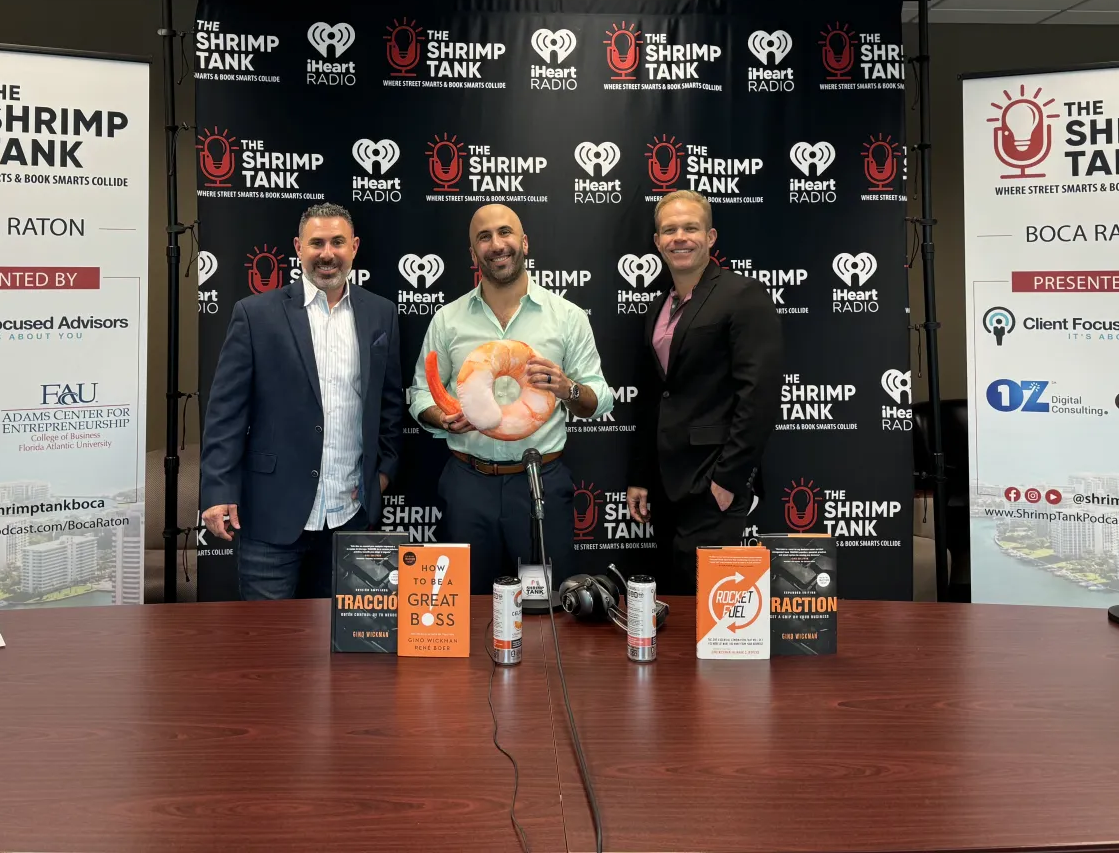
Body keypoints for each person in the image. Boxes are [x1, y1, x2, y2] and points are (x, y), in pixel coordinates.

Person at [200, 203, 403, 600]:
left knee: (348, 649)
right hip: (272, 515)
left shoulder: (381, 314)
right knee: (270, 646)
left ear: (355, 247)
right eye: (317, 243)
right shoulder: (255, 314)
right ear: (298, 247)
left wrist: (383, 473)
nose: (327, 253)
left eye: (337, 242)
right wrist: (218, 489)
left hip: (351, 514)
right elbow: (225, 412)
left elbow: (391, 403)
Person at [410, 204, 613, 596]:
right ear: (473, 254)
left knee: (547, 608)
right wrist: (441, 416)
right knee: (464, 604)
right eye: (483, 237)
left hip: (540, 484)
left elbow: (599, 398)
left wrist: (567, 387)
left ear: (524, 243)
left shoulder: (566, 317)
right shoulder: (448, 320)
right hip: (468, 483)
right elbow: (421, 391)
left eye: (505, 233)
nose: (496, 244)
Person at [627, 190, 782, 593]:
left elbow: (759, 397)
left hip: (713, 482)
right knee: (674, 607)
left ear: (710, 237)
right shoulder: (658, 306)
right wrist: (641, 476)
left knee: (711, 612)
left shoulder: (742, 295)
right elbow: (653, 397)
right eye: (669, 230)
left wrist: (728, 481)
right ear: (658, 241)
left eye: (690, 228)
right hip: (664, 486)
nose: (680, 237)